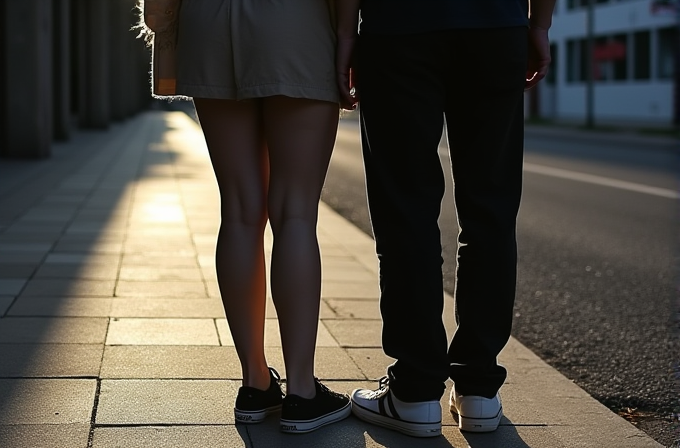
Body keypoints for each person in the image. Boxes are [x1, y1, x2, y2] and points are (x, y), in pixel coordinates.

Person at [341, 0, 557, 438]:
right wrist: (539, 24)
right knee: (490, 211)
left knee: (405, 210)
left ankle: (416, 392)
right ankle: (478, 389)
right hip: (495, 26)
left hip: (399, 27)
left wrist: (346, 36)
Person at [142, 0, 359, 434]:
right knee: (295, 212)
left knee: (240, 210)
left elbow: (156, 12)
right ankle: (301, 390)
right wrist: (348, 35)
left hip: (209, 26)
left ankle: (255, 383)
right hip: (298, 24)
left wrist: (166, 28)